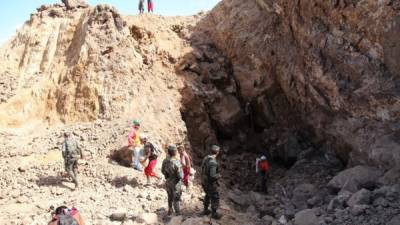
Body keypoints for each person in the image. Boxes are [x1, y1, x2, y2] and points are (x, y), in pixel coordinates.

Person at [201, 145, 222, 219]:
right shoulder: (213, 162)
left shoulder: (205, 158)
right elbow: (212, 176)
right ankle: (214, 213)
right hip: (210, 183)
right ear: (217, 153)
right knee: (215, 197)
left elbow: (203, 169)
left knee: (207, 195)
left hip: (204, 181)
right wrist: (219, 175)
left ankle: (205, 210)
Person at [161, 145, 183, 216]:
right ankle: (178, 213)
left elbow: (162, 170)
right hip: (176, 183)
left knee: (169, 196)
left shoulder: (165, 160)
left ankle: (170, 210)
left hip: (168, 181)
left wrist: (167, 175)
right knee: (176, 198)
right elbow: (180, 175)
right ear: (175, 152)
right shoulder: (177, 162)